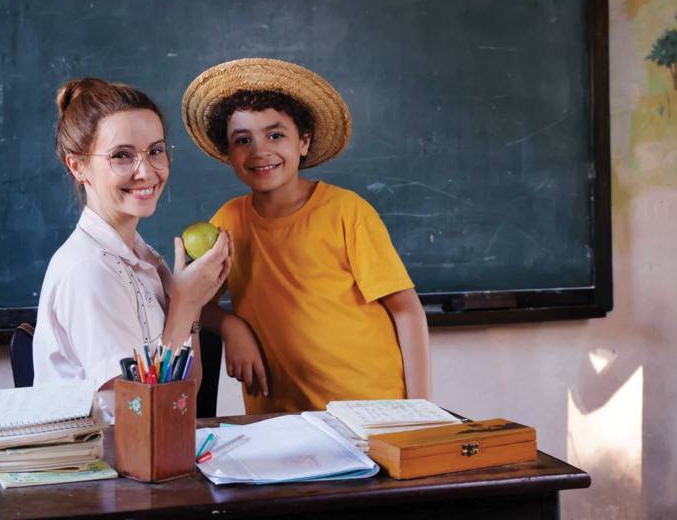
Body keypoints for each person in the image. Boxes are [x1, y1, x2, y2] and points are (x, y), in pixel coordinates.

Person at [182, 58, 431, 415]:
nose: (260, 151)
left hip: (370, 410)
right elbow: (193, 299)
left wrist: (422, 412)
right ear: (229, 153)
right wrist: (230, 326)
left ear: (304, 141)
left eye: (275, 135)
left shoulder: (347, 211)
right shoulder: (227, 222)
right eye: (243, 140)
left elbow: (406, 310)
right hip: (281, 418)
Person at [33, 77, 231, 421]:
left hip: (151, 449)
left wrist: (193, 306)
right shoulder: (89, 271)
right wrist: (184, 304)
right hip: (105, 454)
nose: (146, 171)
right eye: (122, 156)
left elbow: (188, 396)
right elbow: (145, 416)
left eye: (155, 151)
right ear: (77, 166)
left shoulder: (141, 257)